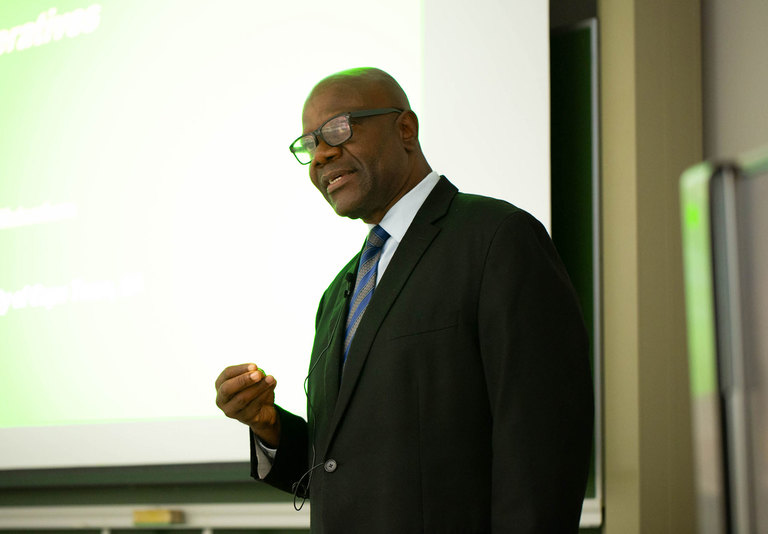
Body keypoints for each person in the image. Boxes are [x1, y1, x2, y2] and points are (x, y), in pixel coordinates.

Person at [215, 67, 593, 533]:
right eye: (310, 145)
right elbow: (344, 469)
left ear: (405, 129)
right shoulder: (339, 294)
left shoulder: (497, 238)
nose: (322, 155)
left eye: (338, 129)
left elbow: (543, 447)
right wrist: (270, 427)